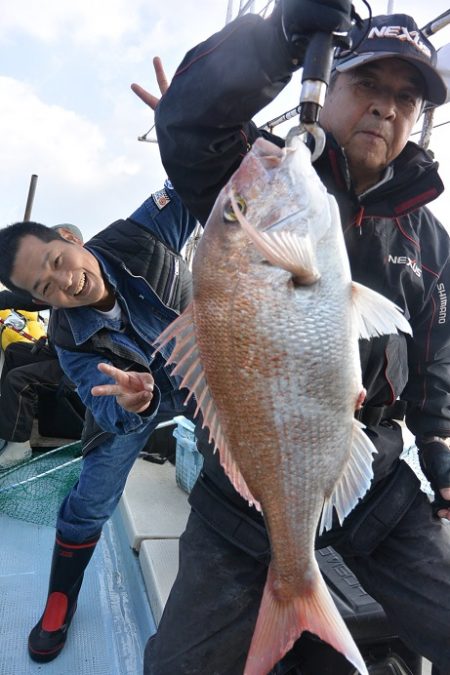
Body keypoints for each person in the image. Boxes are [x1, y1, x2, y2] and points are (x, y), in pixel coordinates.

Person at [131, 4, 450, 674]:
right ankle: (291, 581)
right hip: (247, 487)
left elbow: (437, 359)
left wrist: (441, 453)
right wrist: (278, 35)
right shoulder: (261, 173)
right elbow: (189, 125)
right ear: (329, 84)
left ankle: (298, 590)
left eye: (405, 98)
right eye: (367, 84)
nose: (385, 109)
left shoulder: (430, 240)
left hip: (377, 481)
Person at [0, 177, 197, 662]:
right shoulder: (70, 341)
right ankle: (59, 601)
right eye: (46, 287)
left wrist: (184, 127)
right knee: (89, 499)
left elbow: (198, 178)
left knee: (239, 476)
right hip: (132, 402)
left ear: (69, 239)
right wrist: (134, 404)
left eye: (57, 263)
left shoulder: (143, 233)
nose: (65, 282)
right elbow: (106, 406)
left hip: (206, 375)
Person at [0, 224, 85, 468]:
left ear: (71, 241)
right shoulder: (55, 285)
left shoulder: (77, 281)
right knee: (15, 352)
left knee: (20, 380)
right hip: (56, 352)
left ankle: (19, 446)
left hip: (76, 364)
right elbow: (23, 299)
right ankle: (15, 419)